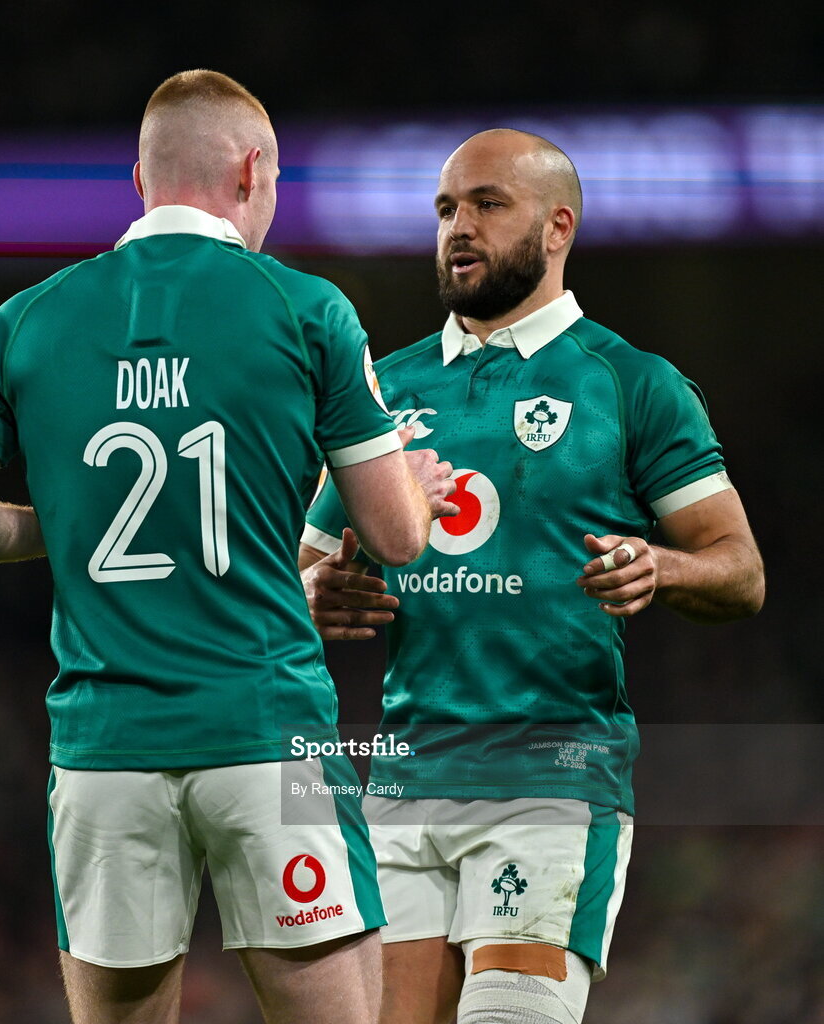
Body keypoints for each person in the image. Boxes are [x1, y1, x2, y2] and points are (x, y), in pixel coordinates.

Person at [0, 70, 457, 1024]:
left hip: (104, 752)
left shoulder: (23, 319)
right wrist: (403, 480)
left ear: (139, 180)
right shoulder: (306, 309)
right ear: (251, 172)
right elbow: (398, 537)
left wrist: (70, 525)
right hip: (266, 732)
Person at [299, 128, 765, 1024]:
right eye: (444, 209)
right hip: (405, 778)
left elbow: (739, 570)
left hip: (553, 777)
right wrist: (314, 595)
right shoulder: (379, 391)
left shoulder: (630, 383)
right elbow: (304, 578)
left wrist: (658, 565)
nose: (457, 227)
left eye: (486, 204)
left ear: (557, 229)